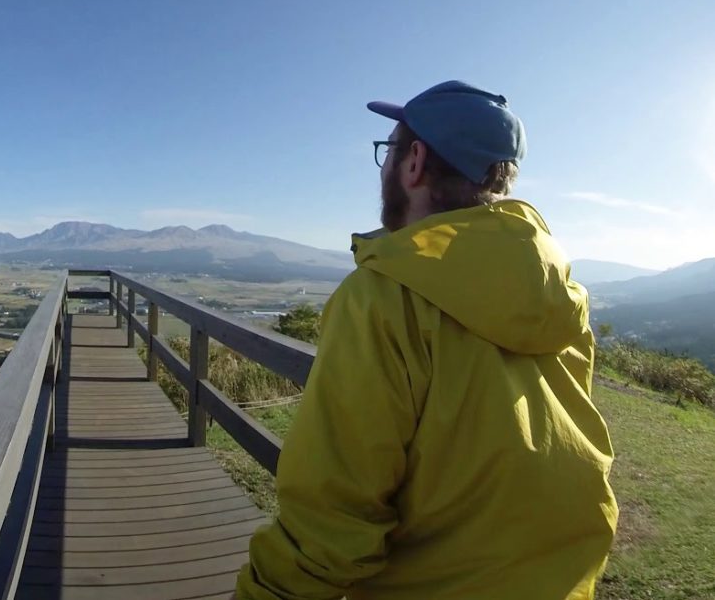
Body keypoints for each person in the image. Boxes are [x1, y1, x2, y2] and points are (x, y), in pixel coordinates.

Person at [234, 81, 618, 600]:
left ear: (413, 162)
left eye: (388, 150)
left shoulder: (381, 297)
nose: (386, 165)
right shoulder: (559, 291)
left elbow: (329, 524)